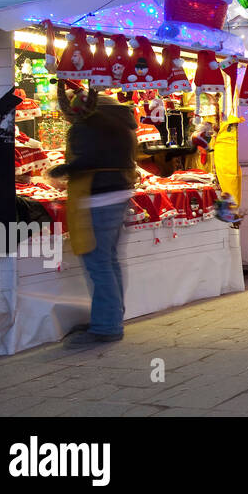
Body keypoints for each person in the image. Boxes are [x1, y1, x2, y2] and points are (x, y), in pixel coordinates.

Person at [49, 83, 139, 344]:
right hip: (119, 193)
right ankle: (110, 316)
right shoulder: (121, 122)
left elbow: (88, 160)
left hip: (98, 198)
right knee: (110, 260)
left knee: (99, 264)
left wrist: (59, 171)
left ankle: (107, 326)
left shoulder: (87, 124)